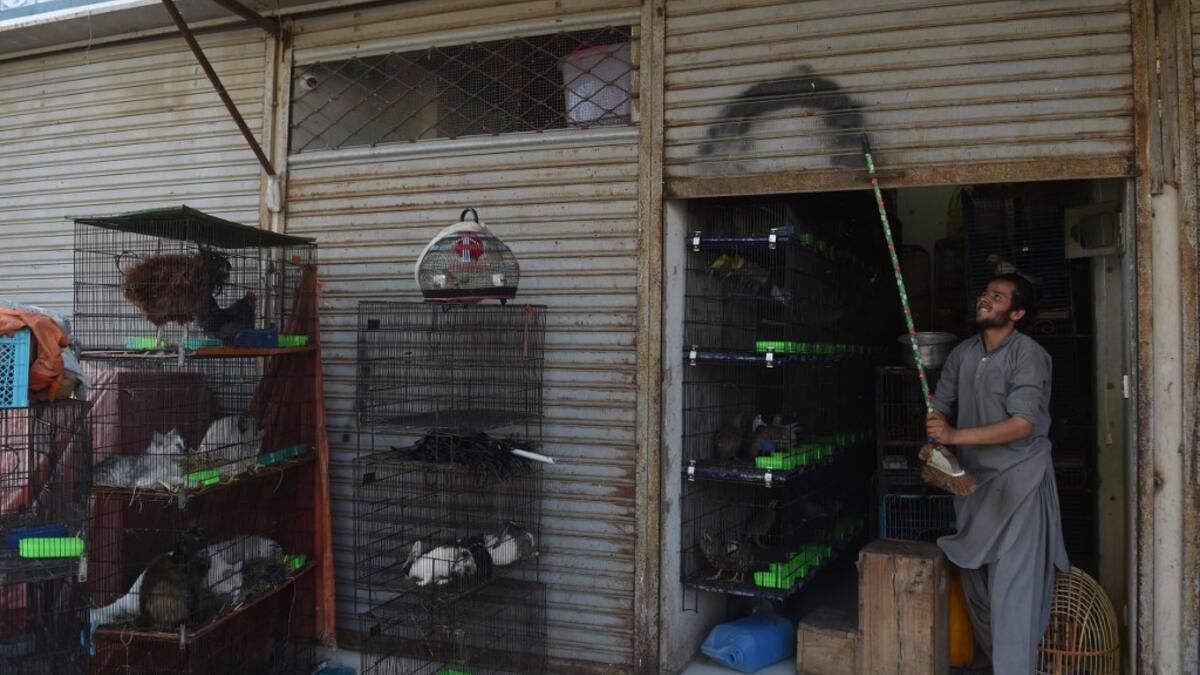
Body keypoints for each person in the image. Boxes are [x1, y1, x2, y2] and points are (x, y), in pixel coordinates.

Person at [925, 273, 1070, 675]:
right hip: (975, 487)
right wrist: (936, 440)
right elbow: (940, 408)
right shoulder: (963, 353)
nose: (985, 300)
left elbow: (1022, 424)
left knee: (1013, 598)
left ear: (1017, 313)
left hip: (1020, 484)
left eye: (998, 297)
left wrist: (953, 435)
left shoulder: (1029, 355)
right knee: (979, 592)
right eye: (985, 293)